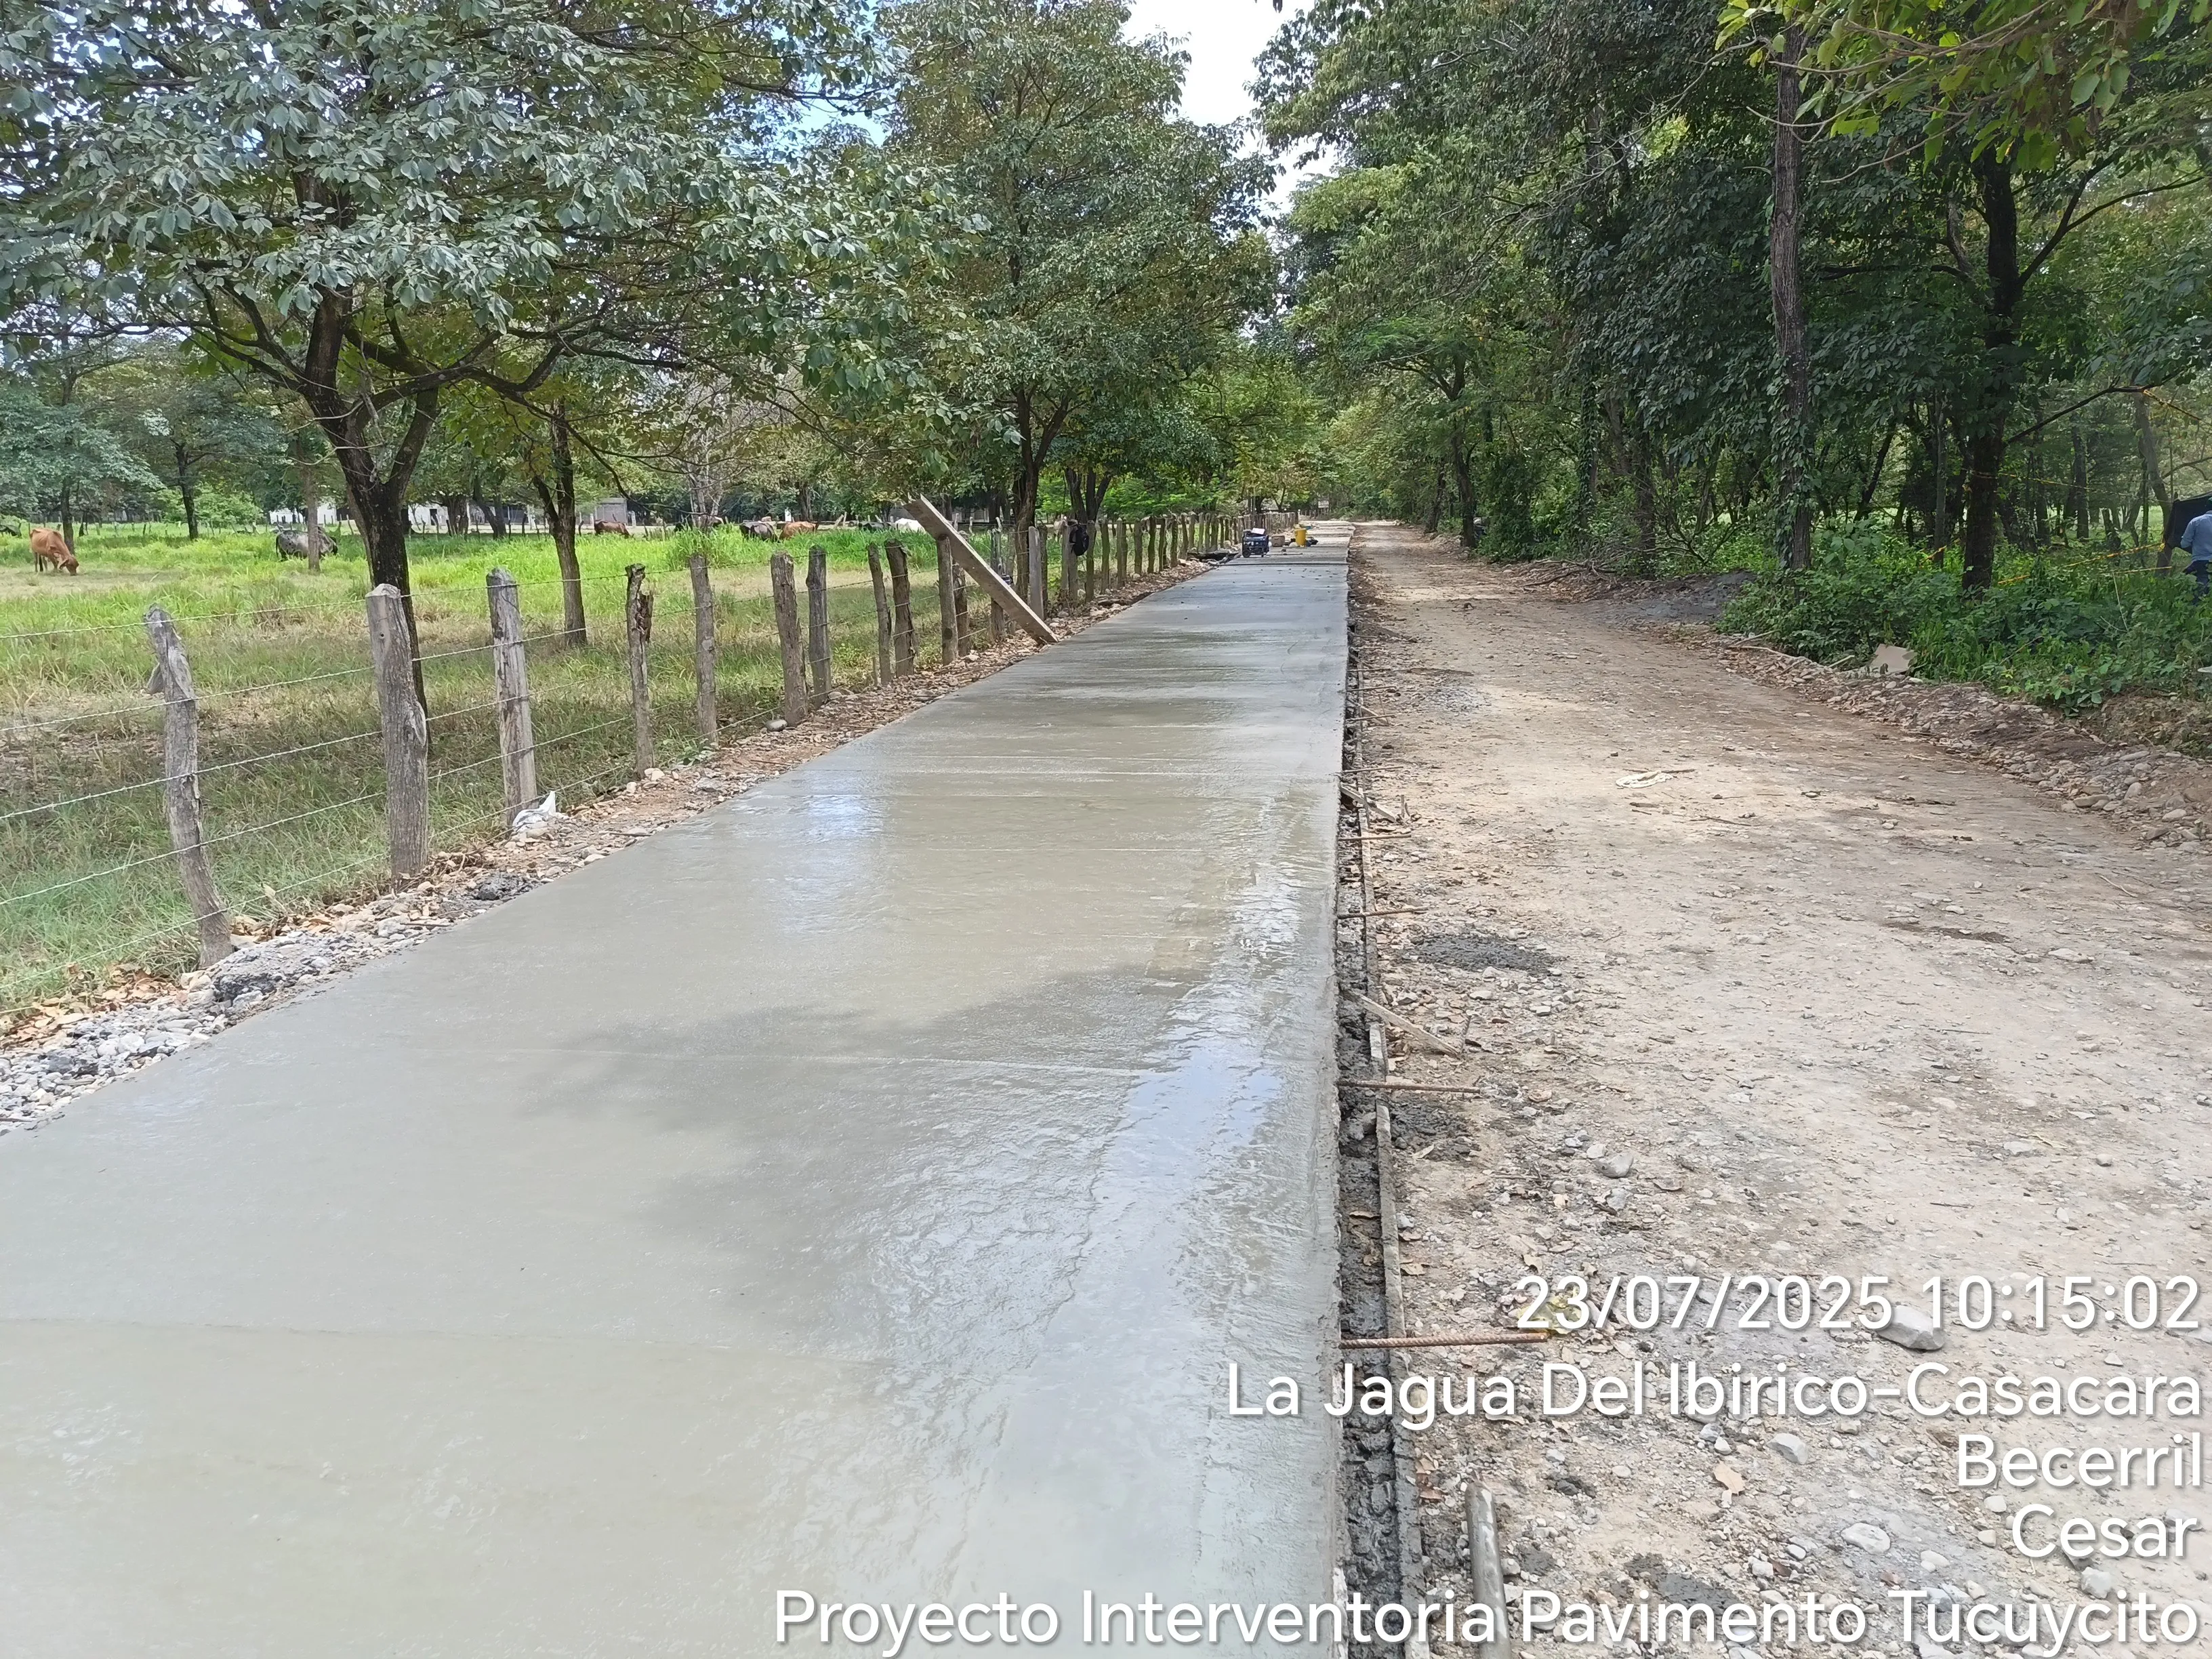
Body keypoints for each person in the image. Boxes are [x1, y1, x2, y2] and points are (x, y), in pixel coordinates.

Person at [2179, 504, 2212, 602]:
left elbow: (2184, 544)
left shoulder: (2196, 521)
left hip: (2200, 562)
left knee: (2201, 591)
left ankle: (2197, 612)